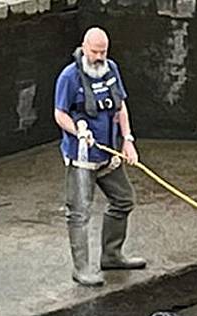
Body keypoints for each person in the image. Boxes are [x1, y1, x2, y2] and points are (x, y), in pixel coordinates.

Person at [54, 27, 146, 287]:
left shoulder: (111, 69)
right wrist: (77, 131)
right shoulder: (69, 77)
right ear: (84, 47)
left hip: (109, 152)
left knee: (123, 199)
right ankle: (81, 268)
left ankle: (112, 254)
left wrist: (128, 140)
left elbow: (121, 106)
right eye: (95, 51)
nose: (99, 56)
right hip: (82, 157)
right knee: (79, 212)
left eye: (103, 51)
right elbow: (60, 114)